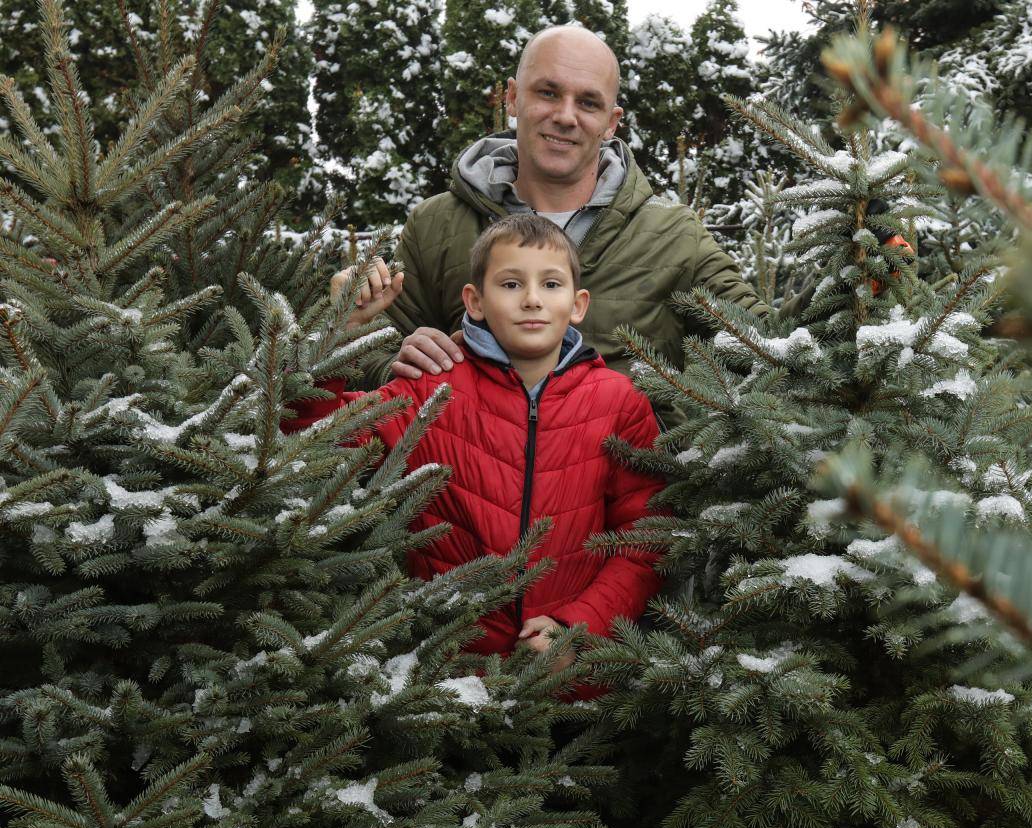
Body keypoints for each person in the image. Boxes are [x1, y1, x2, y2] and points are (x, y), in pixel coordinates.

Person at [288, 214, 663, 689]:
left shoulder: (617, 401)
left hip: (576, 683)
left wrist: (580, 627)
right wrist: (337, 329)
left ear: (578, 304)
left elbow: (647, 537)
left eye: (550, 283)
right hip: (446, 683)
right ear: (476, 301)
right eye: (510, 283)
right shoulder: (431, 392)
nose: (531, 299)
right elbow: (310, 437)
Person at [336, 23, 759, 389]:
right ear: (513, 98)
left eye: (588, 102)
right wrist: (355, 332)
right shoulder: (437, 226)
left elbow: (767, 343)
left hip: (629, 480)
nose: (565, 116)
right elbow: (365, 363)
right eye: (548, 92)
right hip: (470, 479)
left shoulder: (675, 238)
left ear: (612, 121)